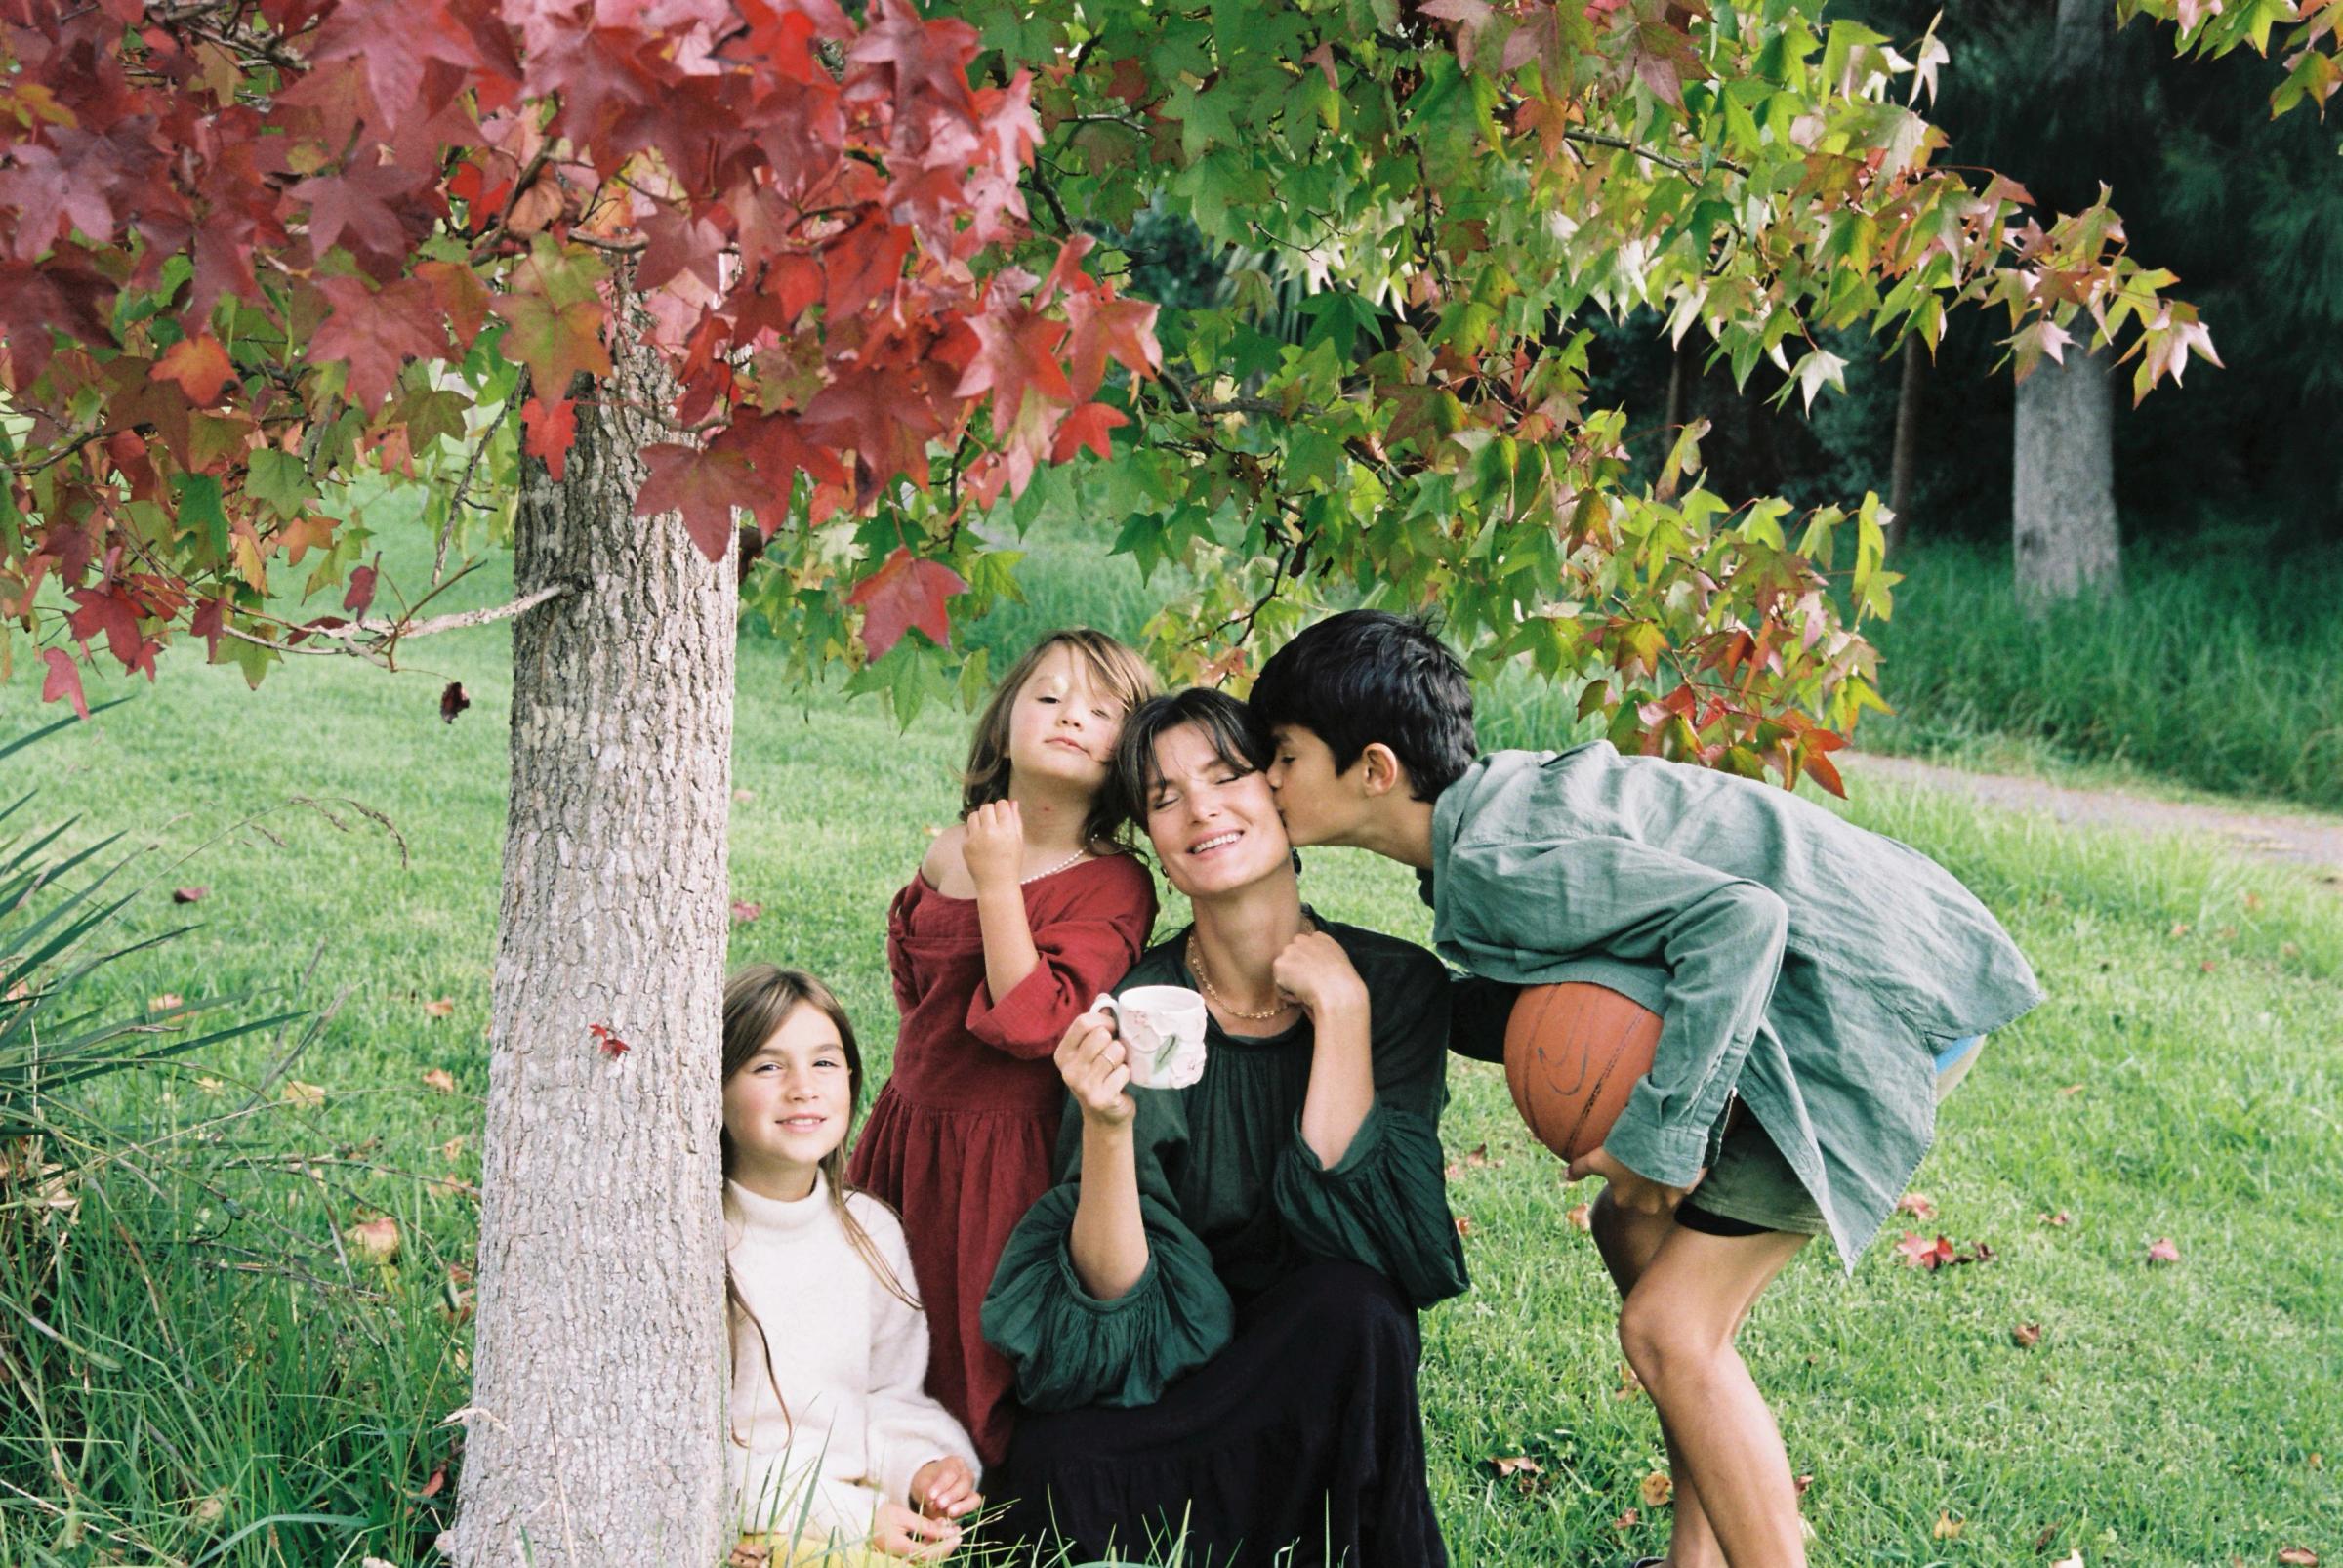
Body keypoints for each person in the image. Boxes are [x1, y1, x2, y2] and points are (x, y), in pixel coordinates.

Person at [1249, 609, 2042, 1568]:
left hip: (1854, 1012)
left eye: (1282, 754)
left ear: (1374, 769)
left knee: (1669, 1329)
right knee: (1635, 1236)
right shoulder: (1494, 818)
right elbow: (1564, 1000)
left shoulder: (1503, 857)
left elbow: (1737, 923)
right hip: (1835, 982)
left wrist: (1659, 1140)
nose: (1266, 780)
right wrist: (1353, 987)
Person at [980, 688, 1469, 1568]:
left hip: (1322, 1364)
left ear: (1277, 793)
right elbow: (1115, 1305)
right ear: (1159, 851)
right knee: (1055, 1468)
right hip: (1181, 1377)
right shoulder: (1141, 1008)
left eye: (1225, 775)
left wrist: (1343, 1012)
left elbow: (1380, 1245)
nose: (1200, 808)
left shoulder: (1395, 987)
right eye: (1165, 798)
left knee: (1357, 1307)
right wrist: (1106, 1127)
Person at [847, 629, 1161, 1469]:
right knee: (881, 1303)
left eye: (1101, 709)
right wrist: (983, 868)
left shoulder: (1112, 881)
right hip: (910, 1129)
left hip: (1006, 1149)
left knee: (968, 1321)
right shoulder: (952, 848)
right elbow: (916, 987)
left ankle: (969, 1481)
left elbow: (1035, 1022)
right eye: (1048, 695)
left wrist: (999, 882)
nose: (1070, 715)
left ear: (1127, 751)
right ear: (1006, 721)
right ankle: (868, 1457)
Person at [719, 964, 982, 1565]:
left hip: (855, 1510)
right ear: (716, 1085)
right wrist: (855, 1520)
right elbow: (694, 1454)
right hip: (748, 1519)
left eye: (824, 1062)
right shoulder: (701, 1241)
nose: (802, 1087)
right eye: (767, 1066)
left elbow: (888, 1392)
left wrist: (921, 1467)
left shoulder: (870, 1232)